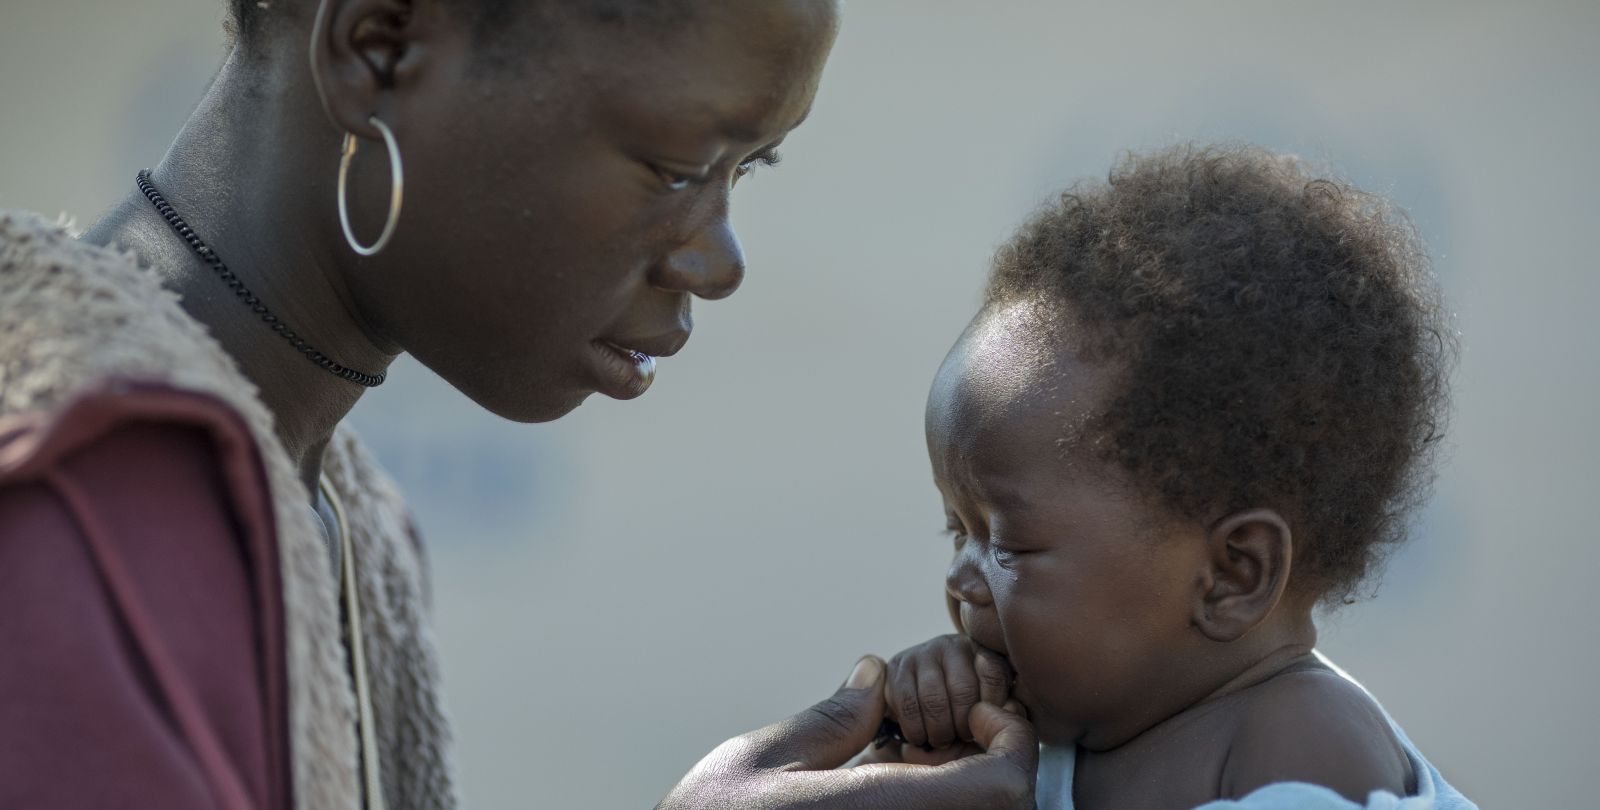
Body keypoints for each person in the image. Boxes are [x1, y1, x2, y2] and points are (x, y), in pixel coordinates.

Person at [0, 1, 1036, 808]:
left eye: (744, 169)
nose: (718, 260)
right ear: (380, 47)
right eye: (678, 167)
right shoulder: (73, 497)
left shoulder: (342, 518)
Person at [855, 144, 1475, 808]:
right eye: (959, 530)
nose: (960, 581)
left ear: (1233, 574)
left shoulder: (1303, 747)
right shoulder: (1051, 727)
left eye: (1008, 542)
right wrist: (932, 735)